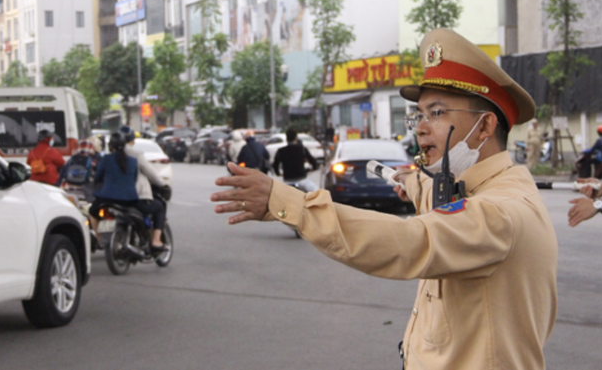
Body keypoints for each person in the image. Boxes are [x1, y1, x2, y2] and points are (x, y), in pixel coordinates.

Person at [211, 28, 557, 369]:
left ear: (484, 127)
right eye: (419, 115)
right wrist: (412, 180)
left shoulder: (501, 212)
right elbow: (438, 200)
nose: (421, 127)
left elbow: (413, 240)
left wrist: (290, 203)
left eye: (437, 113)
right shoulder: (473, 189)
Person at [88, 133, 166, 251]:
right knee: (159, 207)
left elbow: (98, 178)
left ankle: (99, 238)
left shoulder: (106, 159)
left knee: (92, 212)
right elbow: (134, 179)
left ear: (110, 147)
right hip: (128, 200)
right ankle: (156, 240)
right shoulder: (133, 161)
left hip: (106, 199)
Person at [272, 127, 319, 192]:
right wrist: (313, 168)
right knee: (317, 192)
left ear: (287, 138)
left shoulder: (280, 151)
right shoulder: (302, 149)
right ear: (296, 138)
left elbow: (275, 165)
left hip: (287, 181)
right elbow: (313, 162)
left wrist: (278, 173)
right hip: (302, 181)